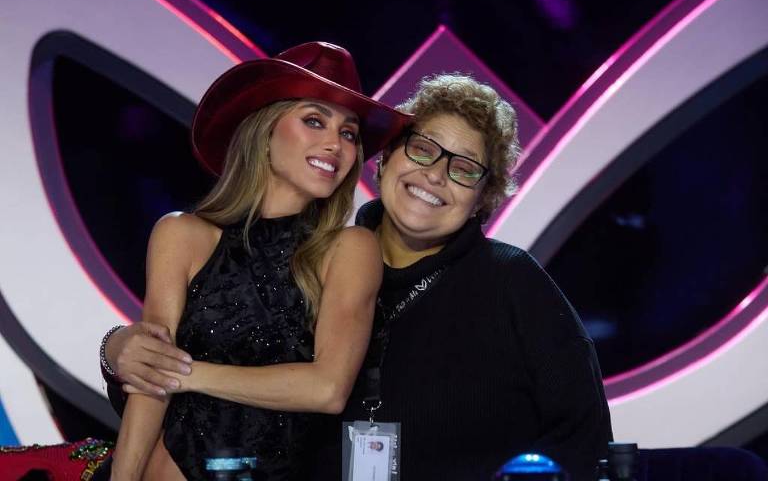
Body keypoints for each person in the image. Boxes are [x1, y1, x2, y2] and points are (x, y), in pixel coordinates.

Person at [102, 74, 612, 480]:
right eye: (423, 149)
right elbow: (211, 386)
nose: (436, 175)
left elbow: (584, 435)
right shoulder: (313, 261)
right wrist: (116, 349)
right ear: (386, 158)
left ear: (485, 196)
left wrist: (177, 371)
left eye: (464, 169)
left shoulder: (511, 282)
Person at [104, 41, 411, 480]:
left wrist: (186, 374)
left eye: (348, 132)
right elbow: (150, 385)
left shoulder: (351, 249)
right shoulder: (180, 234)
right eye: (313, 121)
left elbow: (327, 389)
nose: (334, 144)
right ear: (265, 132)